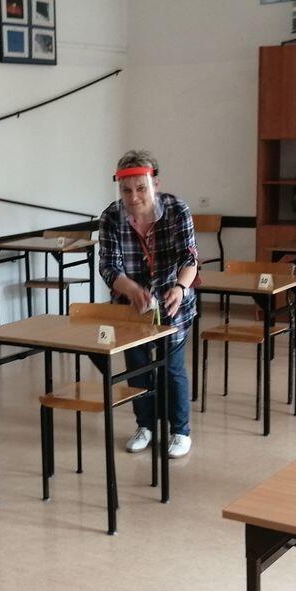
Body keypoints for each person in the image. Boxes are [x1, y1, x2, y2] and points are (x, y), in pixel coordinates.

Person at [97, 150, 197, 458]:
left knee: (171, 370)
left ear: (155, 185)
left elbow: (189, 259)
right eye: (126, 190)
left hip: (171, 301)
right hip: (131, 306)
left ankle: (180, 431)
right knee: (137, 370)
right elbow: (108, 266)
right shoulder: (111, 217)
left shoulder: (177, 209)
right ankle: (145, 426)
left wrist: (180, 287)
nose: (133, 197)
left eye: (141, 188)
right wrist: (130, 289)